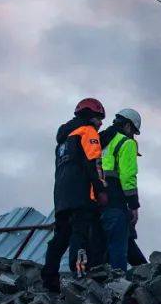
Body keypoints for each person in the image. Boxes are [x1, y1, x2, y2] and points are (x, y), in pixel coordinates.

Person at [42, 98, 107, 292]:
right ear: (91, 116)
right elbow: (94, 164)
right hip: (82, 195)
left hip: (61, 198)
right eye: (99, 118)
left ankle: (49, 279)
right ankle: (80, 273)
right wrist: (102, 190)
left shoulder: (63, 141)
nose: (100, 123)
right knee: (81, 234)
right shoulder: (88, 132)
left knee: (60, 238)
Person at [100, 108, 142, 272]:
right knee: (118, 248)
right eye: (134, 131)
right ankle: (119, 287)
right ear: (128, 126)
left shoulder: (100, 142)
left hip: (96, 202)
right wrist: (133, 206)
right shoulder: (126, 143)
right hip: (115, 201)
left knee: (103, 248)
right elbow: (127, 177)